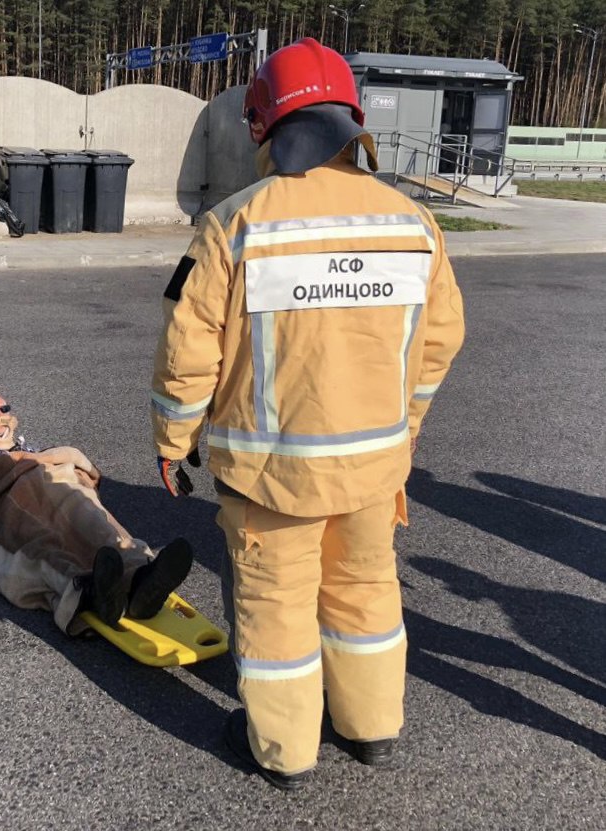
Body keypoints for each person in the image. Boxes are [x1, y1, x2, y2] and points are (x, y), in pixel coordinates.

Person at [150, 38, 465, 790]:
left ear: (264, 126)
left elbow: (187, 351)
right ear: (353, 121)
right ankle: (371, 726)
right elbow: (440, 339)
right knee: (365, 589)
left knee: (276, 607)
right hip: (372, 467)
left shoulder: (235, 224)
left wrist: (173, 440)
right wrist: (403, 428)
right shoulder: (413, 224)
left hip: (270, 474)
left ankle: (286, 750)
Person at [0, 390, 194, 632]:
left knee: (93, 517)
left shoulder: (32, 451)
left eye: (4, 408)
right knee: (43, 540)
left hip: (58, 485)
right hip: (10, 497)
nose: (1, 416)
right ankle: (89, 591)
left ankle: (140, 577)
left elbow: (66, 463)